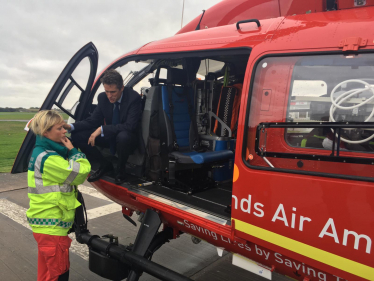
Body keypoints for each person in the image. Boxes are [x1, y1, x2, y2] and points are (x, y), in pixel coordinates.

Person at [27, 110, 91, 281]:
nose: (65, 131)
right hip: (52, 226)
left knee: (47, 273)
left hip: (45, 225)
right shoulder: (49, 158)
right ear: (45, 132)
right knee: (58, 274)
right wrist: (73, 151)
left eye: (64, 127)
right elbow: (81, 173)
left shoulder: (42, 151)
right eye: (59, 128)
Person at [64, 69, 141, 184]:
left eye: (113, 92)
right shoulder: (102, 98)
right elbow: (93, 121)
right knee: (77, 135)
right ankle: (104, 165)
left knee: (123, 136)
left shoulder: (133, 98)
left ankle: (120, 171)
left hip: (128, 139)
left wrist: (102, 129)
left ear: (122, 88)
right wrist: (69, 126)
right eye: (106, 91)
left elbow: (130, 126)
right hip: (110, 135)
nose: (109, 96)